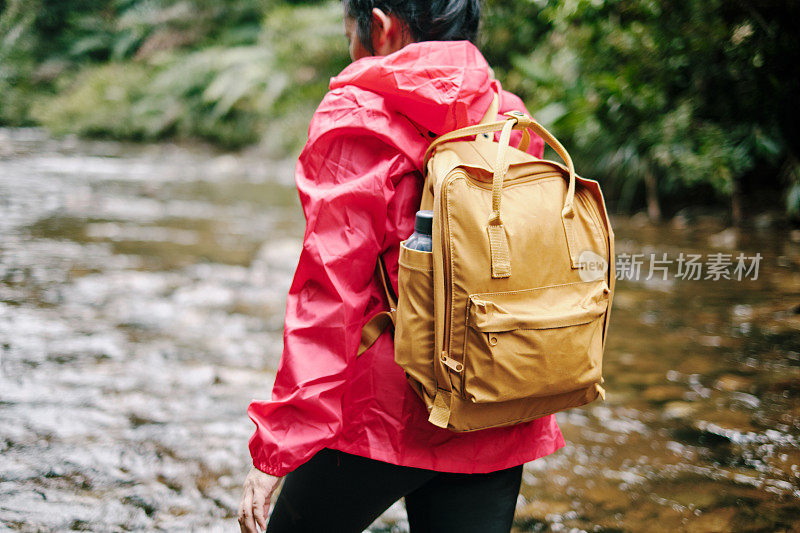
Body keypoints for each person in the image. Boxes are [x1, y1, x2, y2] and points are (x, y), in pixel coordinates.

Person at [238, 1, 565, 532]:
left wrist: (279, 445)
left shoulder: (359, 114)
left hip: (384, 411)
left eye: (352, 37)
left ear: (382, 26)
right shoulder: (509, 116)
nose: (351, 51)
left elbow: (329, 292)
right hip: (497, 398)